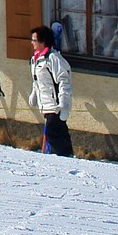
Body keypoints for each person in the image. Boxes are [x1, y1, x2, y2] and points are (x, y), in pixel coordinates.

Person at [29, 25, 76, 157]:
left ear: (43, 42)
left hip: (55, 105)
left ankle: (63, 159)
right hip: (45, 104)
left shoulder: (53, 59)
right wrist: (34, 95)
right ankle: (65, 156)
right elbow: (37, 80)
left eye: (34, 40)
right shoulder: (36, 59)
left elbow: (64, 81)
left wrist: (64, 104)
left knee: (54, 133)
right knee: (56, 133)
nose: (32, 43)